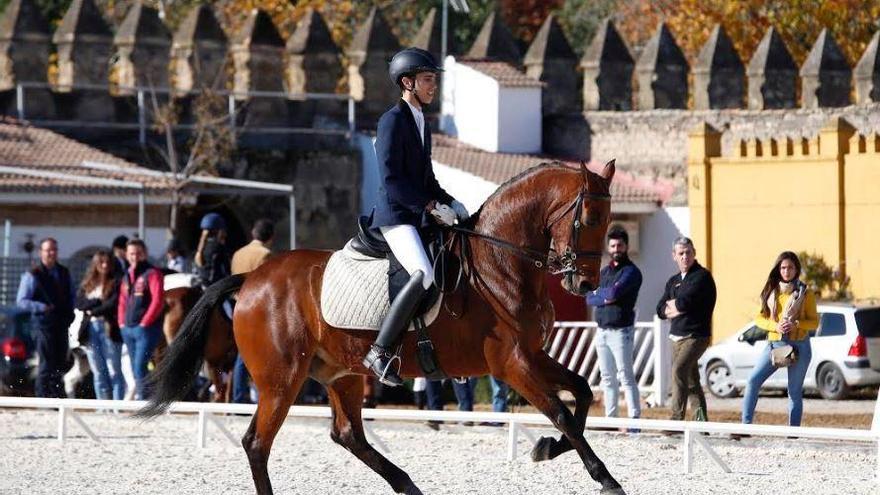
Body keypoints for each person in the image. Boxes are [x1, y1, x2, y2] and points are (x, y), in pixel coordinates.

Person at [361, 47, 469, 386]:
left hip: (417, 214)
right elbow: (392, 179)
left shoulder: (422, 122)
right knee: (423, 274)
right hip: (395, 216)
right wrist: (431, 207)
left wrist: (451, 201)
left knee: (452, 263)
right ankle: (379, 351)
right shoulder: (392, 120)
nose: (432, 86)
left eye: (433, 80)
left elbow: (427, 180)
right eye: (427, 80)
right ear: (407, 82)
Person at [741, 251, 818, 428]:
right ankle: (744, 427)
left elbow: (815, 323)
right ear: (778, 269)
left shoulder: (806, 293)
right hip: (775, 344)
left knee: (794, 391)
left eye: (790, 267)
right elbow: (759, 319)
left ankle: (793, 433)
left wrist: (796, 324)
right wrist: (775, 326)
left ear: (796, 269)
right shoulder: (771, 291)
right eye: (783, 267)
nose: (786, 271)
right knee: (753, 380)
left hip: (799, 346)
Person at [656, 236, 716, 424]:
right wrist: (672, 308)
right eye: (680, 253)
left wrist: (677, 306)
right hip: (676, 337)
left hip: (696, 336)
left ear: (694, 253)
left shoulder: (702, 277)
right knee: (691, 381)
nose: (685, 257)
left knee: (678, 371)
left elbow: (685, 302)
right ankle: (701, 422)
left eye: (688, 252)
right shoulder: (673, 281)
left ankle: (676, 420)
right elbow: (660, 308)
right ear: (674, 255)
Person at [586, 227, 643, 421]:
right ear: (608, 248)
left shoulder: (632, 272)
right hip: (601, 331)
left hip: (621, 332)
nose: (616, 248)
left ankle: (634, 420)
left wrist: (601, 294)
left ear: (626, 246)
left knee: (625, 376)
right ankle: (611, 420)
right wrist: (603, 295)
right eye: (612, 245)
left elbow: (612, 294)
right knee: (607, 378)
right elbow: (588, 298)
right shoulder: (604, 272)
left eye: (620, 245)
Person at [16, 238, 75, 398]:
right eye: (48, 250)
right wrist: (42, 307)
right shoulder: (33, 274)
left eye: (54, 250)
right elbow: (22, 301)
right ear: (40, 252)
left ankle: (57, 395)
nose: (51, 253)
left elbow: (71, 296)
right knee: (46, 362)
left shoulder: (64, 272)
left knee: (60, 362)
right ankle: (43, 396)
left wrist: (70, 313)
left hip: (61, 323)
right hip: (43, 324)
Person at [229, 219, 275, 404]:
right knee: (260, 355)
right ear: (271, 237)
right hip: (258, 308)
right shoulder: (266, 254)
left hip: (237, 304)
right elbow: (269, 284)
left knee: (242, 354)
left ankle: (238, 396)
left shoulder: (238, 253)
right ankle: (260, 396)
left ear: (253, 234)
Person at [117, 239, 164, 400]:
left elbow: (158, 300)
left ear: (145, 253)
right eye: (131, 253)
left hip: (146, 329)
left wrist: (145, 322)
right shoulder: (127, 274)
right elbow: (122, 301)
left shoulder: (152, 273)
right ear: (126, 255)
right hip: (128, 328)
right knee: (135, 367)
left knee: (139, 367)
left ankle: (143, 400)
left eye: (138, 253)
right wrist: (121, 323)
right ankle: (151, 397)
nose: (134, 256)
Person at [76, 249, 125, 400]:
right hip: (90, 329)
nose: (104, 266)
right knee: (98, 370)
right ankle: (102, 405)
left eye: (107, 263)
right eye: (101, 263)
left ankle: (117, 405)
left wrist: (93, 310)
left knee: (114, 369)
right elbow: (80, 303)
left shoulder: (116, 282)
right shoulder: (88, 283)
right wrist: (95, 303)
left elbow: (112, 303)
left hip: (108, 327)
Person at [194, 212, 231, 287]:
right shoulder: (219, 246)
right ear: (218, 230)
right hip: (214, 285)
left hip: (201, 283)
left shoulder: (201, 246)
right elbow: (227, 269)